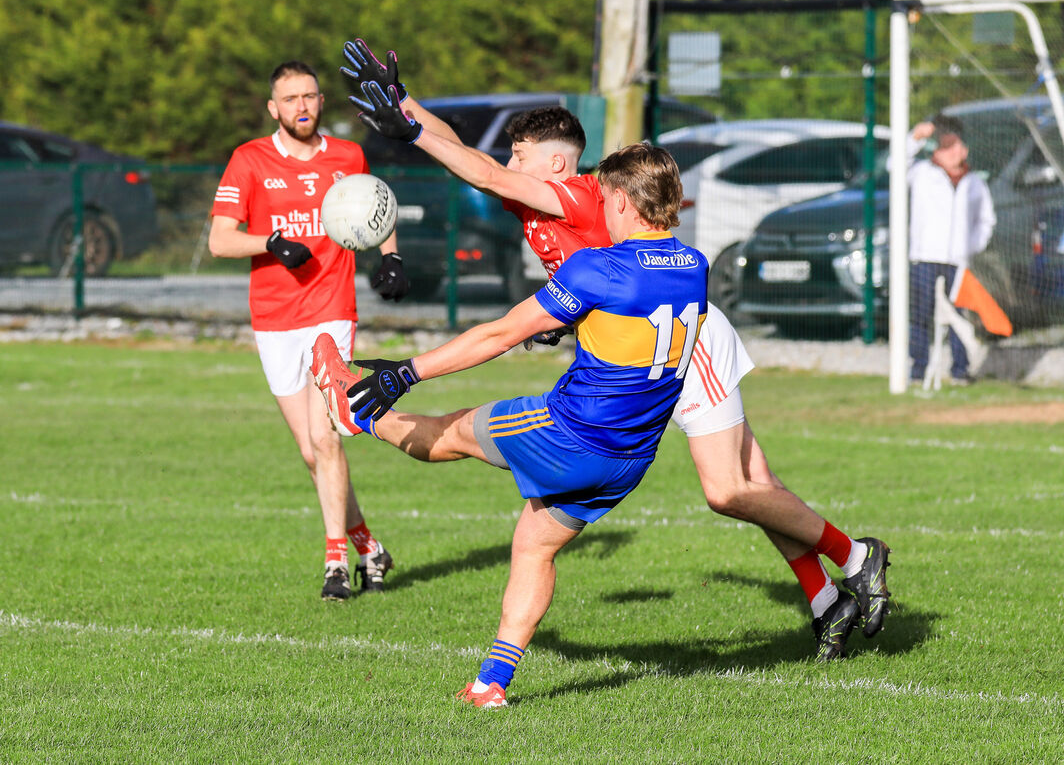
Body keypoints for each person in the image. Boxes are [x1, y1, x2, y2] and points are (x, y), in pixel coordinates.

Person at [338, 39, 893, 661]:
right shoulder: (534, 195)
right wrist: (404, 100)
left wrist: (409, 128)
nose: (503, 162)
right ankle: (827, 601)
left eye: (519, 154)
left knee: (730, 489)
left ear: (554, 164)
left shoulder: (573, 193)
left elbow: (482, 170)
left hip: (679, 339)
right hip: (639, 342)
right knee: (750, 483)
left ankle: (855, 557)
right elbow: (473, 160)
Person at [311, 143, 708, 708]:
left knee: (447, 435)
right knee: (533, 546)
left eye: (602, 196)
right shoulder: (695, 266)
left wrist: (407, 371)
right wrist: (567, 319)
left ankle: (356, 413)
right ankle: (489, 684)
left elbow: (499, 334)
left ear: (621, 199)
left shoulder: (599, 267)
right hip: (629, 459)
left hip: (567, 433)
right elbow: (630, 324)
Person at [209, 60, 410, 601]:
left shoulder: (348, 156)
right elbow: (220, 240)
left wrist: (390, 258)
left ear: (322, 102)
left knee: (327, 438)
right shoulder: (249, 159)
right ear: (273, 108)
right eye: (290, 98)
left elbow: (379, 207)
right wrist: (270, 243)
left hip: (331, 312)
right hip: (275, 319)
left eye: (311, 96)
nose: (302, 105)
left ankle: (336, 563)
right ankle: (370, 545)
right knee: (310, 451)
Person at [905, 113, 997, 386]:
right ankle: (918, 369)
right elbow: (894, 165)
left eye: (955, 145)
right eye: (944, 146)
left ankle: (959, 370)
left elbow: (986, 220)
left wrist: (971, 246)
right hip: (924, 257)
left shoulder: (974, 182)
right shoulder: (921, 173)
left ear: (964, 149)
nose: (951, 152)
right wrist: (915, 138)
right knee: (921, 314)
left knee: (959, 313)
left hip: (957, 261)